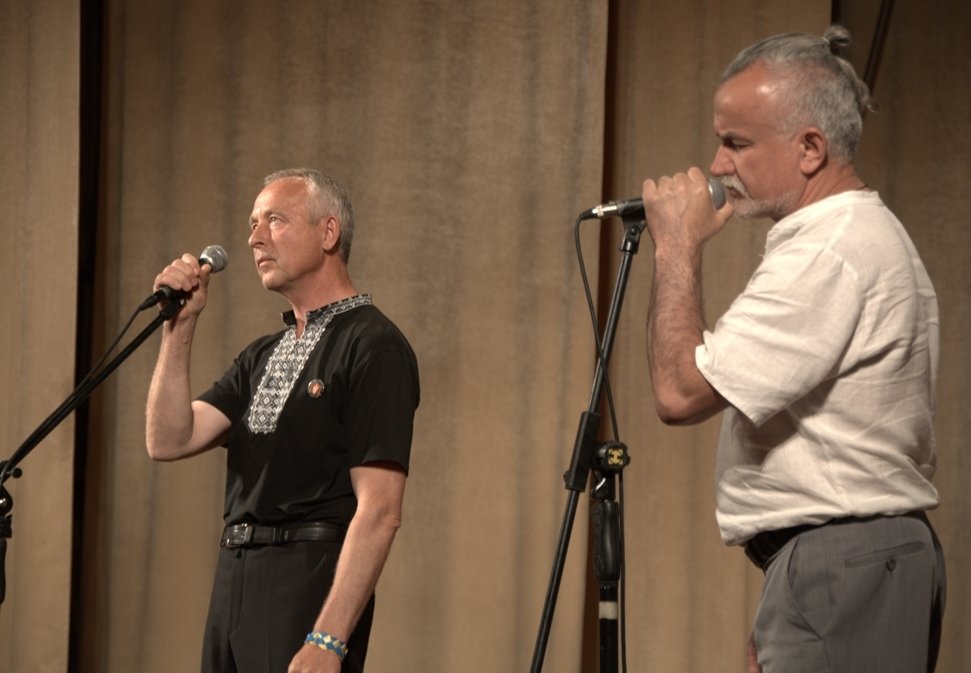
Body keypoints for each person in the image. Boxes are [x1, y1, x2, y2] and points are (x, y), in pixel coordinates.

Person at [641, 26, 946, 673]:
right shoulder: (846, 234)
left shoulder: (828, 248)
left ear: (810, 148)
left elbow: (678, 392)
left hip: (843, 561)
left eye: (735, 143)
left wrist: (675, 247)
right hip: (837, 564)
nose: (717, 165)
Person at [145, 168, 420, 673]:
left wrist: (329, 639)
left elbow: (381, 510)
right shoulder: (261, 355)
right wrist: (179, 329)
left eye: (274, 220)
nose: (254, 239)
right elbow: (168, 438)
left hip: (305, 579)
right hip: (234, 578)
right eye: (252, 224)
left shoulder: (373, 346)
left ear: (328, 232)